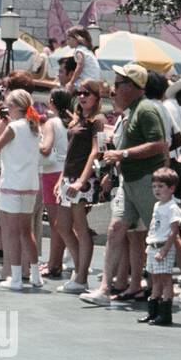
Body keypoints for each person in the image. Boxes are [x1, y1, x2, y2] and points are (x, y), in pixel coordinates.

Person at [100, 63, 169, 299]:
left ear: (131, 86)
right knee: (115, 229)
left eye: (118, 84)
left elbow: (160, 144)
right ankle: (104, 287)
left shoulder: (146, 110)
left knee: (162, 234)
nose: (114, 89)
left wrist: (123, 154)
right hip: (129, 181)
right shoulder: (131, 110)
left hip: (146, 180)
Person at [0, 89, 42, 290]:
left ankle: (17, 278)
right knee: (26, 231)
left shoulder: (13, 127)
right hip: (29, 185)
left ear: (16, 107)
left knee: (11, 232)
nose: (7, 110)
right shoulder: (34, 127)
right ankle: (35, 275)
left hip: (12, 184)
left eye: (8, 106)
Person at [55, 80, 104, 294]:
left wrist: (82, 180)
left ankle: (82, 276)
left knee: (81, 229)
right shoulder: (77, 120)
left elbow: (97, 150)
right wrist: (61, 179)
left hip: (83, 180)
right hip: (68, 177)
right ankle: (79, 271)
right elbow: (69, 152)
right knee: (62, 226)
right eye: (80, 93)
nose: (82, 96)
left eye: (87, 93)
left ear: (96, 97)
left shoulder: (98, 120)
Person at [136, 168, 181, 326]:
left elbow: (174, 231)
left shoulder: (172, 207)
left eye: (161, 186)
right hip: (153, 245)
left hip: (164, 246)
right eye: (154, 186)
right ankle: (153, 312)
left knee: (165, 279)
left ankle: (165, 313)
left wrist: (164, 250)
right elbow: (154, 226)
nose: (157, 189)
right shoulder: (157, 205)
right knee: (155, 279)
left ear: (171, 188)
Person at [38, 88, 70, 279]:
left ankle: (53, 263)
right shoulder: (70, 123)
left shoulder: (51, 123)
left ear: (52, 102)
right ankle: (56, 262)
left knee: (55, 222)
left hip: (51, 173)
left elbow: (45, 148)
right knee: (63, 222)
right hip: (65, 170)